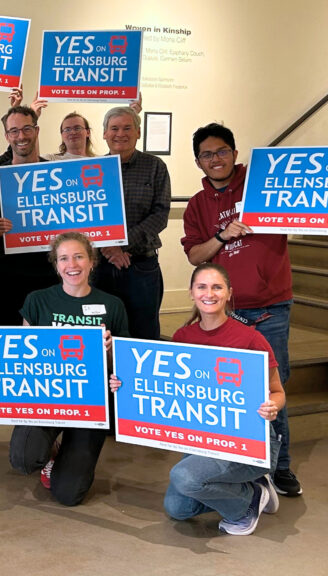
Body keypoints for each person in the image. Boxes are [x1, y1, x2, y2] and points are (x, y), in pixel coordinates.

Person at [111, 263, 285, 536]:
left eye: (217, 287)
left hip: (251, 441)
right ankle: (253, 489)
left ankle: (245, 505)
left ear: (229, 293)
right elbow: (165, 386)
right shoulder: (183, 337)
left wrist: (272, 406)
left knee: (185, 477)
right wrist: (125, 384)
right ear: (191, 293)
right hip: (203, 437)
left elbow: (277, 391)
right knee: (178, 509)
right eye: (201, 287)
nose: (209, 293)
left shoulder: (252, 339)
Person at [181, 122, 301, 497]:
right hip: (225, 316)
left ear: (234, 153)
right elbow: (195, 255)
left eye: (221, 151)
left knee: (271, 391)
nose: (215, 159)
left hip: (271, 308)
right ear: (198, 161)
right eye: (206, 154)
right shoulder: (198, 206)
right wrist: (221, 235)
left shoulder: (262, 182)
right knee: (225, 392)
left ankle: (279, 467)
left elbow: (304, 201)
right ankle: (239, 458)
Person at [10, 232, 129, 506]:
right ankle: (50, 449)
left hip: (92, 404)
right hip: (47, 397)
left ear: (92, 262)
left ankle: (67, 452)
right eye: (63, 258)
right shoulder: (37, 301)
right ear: (55, 265)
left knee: (68, 494)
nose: (71, 264)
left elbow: (121, 371)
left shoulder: (113, 305)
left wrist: (111, 351)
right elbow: (22, 357)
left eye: (78, 256)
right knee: (24, 458)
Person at [0, 106, 60, 326]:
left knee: (50, 342)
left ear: (37, 131)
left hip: (50, 275)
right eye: (14, 131)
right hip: (7, 278)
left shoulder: (56, 174)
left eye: (26, 129)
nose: (21, 136)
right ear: (7, 136)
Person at [94, 106, 170, 340]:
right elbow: (86, 217)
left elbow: (160, 214)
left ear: (138, 132)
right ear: (104, 133)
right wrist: (109, 250)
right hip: (100, 267)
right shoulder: (90, 169)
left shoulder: (155, 166)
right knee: (102, 332)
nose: (120, 134)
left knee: (144, 332)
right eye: (114, 128)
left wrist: (121, 245)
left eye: (127, 128)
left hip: (141, 266)